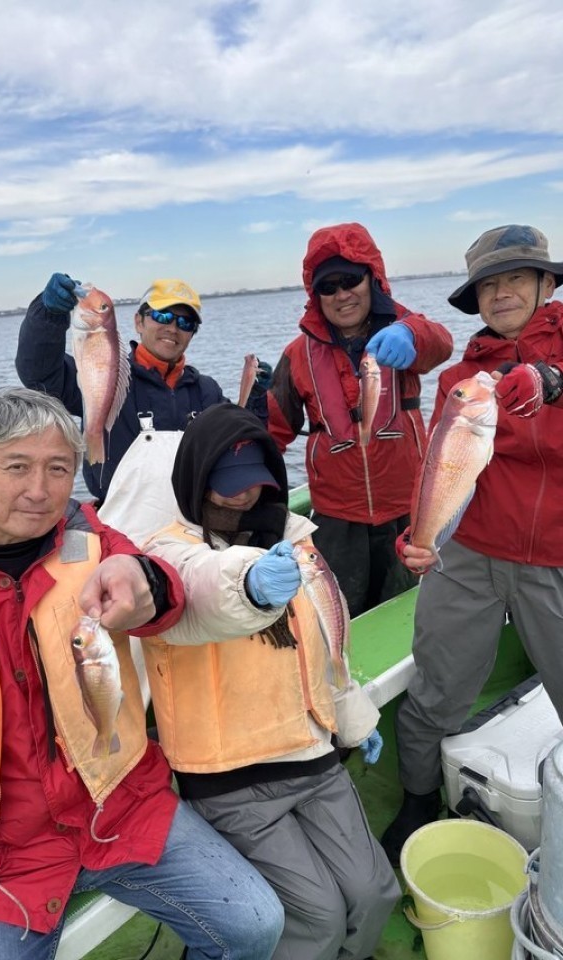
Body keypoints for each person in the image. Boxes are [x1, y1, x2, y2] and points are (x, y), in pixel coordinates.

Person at [0, 387, 284, 960]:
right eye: (17, 468)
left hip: (122, 809)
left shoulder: (94, 538)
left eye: (58, 468)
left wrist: (148, 584)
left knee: (255, 925)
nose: (40, 490)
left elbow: (167, 587)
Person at [142, 403, 397, 959]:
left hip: (311, 754)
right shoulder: (163, 557)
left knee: (376, 892)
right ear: (195, 479)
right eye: (225, 485)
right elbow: (202, 590)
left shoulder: (298, 542)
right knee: (320, 917)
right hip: (232, 781)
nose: (241, 497)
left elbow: (328, 648)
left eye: (253, 483)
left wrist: (352, 718)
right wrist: (252, 584)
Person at [382, 224, 563, 864]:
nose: (502, 292)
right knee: (437, 688)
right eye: (488, 284)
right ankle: (416, 797)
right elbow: (441, 468)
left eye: (515, 277)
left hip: (556, 558)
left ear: (547, 283)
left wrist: (551, 379)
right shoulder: (463, 377)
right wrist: (420, 533)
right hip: (470, 557)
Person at [266, 222, 453, 617]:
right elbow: (272, 430)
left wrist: (410, 334)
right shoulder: (298, 354)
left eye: (351, 279)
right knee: (340, 615)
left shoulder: (406, 329)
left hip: (406, 510)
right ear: (315, 296)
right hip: (337, 517)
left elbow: (441, 344)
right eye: (327, 287)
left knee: (406, 612)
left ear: (373, 279)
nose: (342, 294)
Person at [17, 274, 268, 533]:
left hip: (192, 525)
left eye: (186, 322)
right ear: (138, 321)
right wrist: (48, 315)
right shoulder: (106, 375)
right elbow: (39, 374)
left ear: (193, 333)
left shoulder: (206, 390)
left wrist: (257, 397)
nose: (173, 327)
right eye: (162, 316)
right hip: (120, 528)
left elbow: (240, 449)